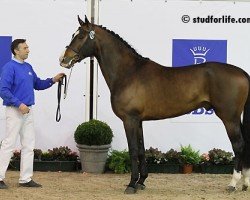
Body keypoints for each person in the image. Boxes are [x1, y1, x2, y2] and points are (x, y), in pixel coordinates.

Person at [0, 39, 65, 189]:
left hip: (28, 110)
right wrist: (19, 104)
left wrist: (53, 80)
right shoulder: (9, 67)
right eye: (25, 48)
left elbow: (37, 84)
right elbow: (3, 90)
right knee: (9, 144)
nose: (28, 50)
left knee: (28, 145)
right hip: (15, 110)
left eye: (28, 47)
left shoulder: (28, 67)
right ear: (16, 51)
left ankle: (25, 178)